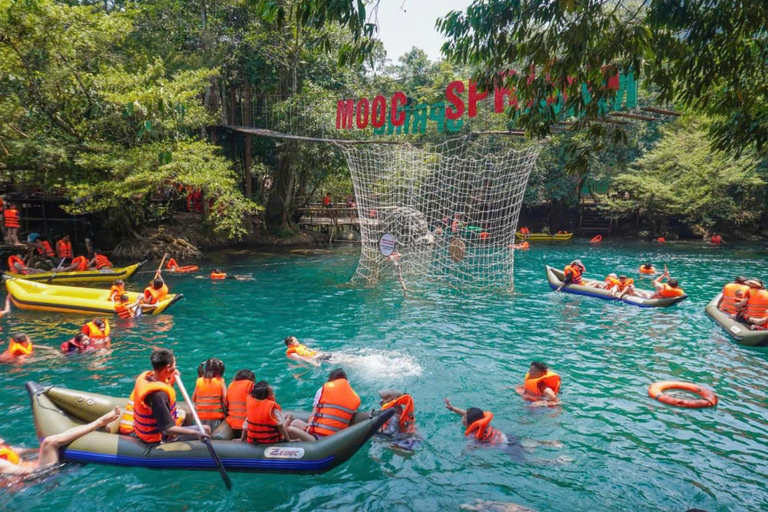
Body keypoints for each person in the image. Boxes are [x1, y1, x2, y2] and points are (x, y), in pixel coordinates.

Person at [0, 407, 120, 475]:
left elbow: (16, 451)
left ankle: (96, 426)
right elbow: (30, 473)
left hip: (33, 463)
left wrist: (39, 450)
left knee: (60, 436)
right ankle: (99, 422)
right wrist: (45, 450)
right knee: (50, 442)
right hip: (41, 473)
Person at [126, 348, 207, 443]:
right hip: (159, 438)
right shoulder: (158, 395)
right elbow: (167, 429)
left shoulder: (148, 378)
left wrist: (171, 381)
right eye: (174, 364)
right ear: (168, 368)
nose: (176, 367)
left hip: (149, 428)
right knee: (206, 429)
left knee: (183, 413)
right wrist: (196, 434)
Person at [289, 368, 360, 441]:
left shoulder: (322, 390)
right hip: (337, 438)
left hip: (318, 438)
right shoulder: (354, 397)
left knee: (290, 429)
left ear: (330, 380)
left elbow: (315, 413)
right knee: (295, 422)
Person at [193, 358, 228, 429]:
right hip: (215, 419)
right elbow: (226, 402)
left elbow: (194, 399)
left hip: (199, 419)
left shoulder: (199, 381)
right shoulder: (220, 381)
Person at [225, 370, 256, 439]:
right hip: (246, 423)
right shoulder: (250, 384)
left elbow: (227, 403)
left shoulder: (231, 385)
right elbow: (257, 403)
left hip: (232, 422)